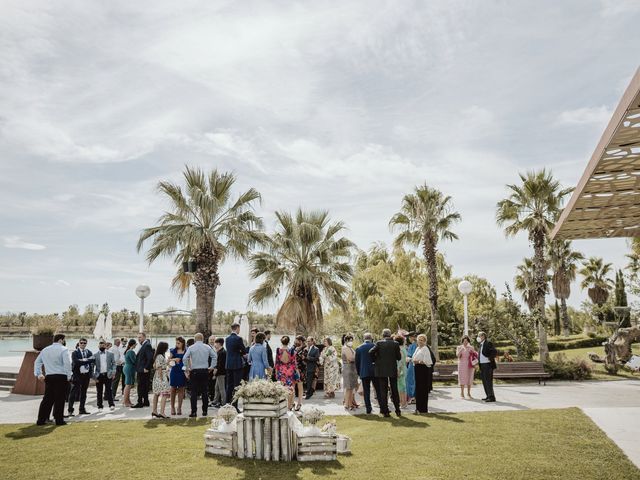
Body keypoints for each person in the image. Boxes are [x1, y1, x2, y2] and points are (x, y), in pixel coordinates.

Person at [34, 334, 71, 426]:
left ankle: (41, 420)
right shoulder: (64, 349)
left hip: (49, 376)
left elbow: (37, 362)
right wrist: (69, 376)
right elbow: (67, 364)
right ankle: (59, 420)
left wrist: (39, 374)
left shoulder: (45, 350)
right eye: (64, 340)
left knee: (47, 399)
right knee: (60, 399)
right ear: (61, 340)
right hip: (61, 376)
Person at [183, 332, 217, 417]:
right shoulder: (207, 347)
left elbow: (184, 358)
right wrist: (212, 366)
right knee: (205, 392)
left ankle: (194, 412)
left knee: (193, 392)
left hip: (194, 371)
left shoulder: (191, 347)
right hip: (205, 371)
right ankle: (205, 411)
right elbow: (214, 356)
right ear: (202, 339)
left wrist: (187, 368)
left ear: (195, 339)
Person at [369, 329, 401, 418]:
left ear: (383, 335)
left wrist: (375, 360)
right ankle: (397, 409)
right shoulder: (395, 344)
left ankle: (385, 411)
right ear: (390, 335)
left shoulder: (379, 343)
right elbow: (399, 357)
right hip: (392, 369)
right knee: (394, 390)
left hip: (381, 370)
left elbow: (371, 352)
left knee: (383, 391)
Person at [68, 338, 94, 416]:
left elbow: (92, 361)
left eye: (84, 343)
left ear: (86, 344)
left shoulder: (89, 352)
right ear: (78, 343)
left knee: (84, 393)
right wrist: (86, 360)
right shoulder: (75, 353)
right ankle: (70, 410)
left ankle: (82, 409)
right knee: (73, 393)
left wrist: (82, 361)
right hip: (77, 375)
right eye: (81, 343)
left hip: (86, 375)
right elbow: (76, 362)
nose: (83, 344)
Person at [355, 332, 378, 414]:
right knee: (378, 390)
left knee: (366, 391)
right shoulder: (375, 346)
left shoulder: (359, 348)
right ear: (371, 338)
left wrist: (359, 372)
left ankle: (368, 409)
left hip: (364, 371)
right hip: (375, 371)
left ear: (364, 339)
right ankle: (382, 407)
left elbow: (357, 363)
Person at [225, 322, 246, 406]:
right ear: (237, 328)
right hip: (237, 364)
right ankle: (234, 405)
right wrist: (239, 352)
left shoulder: (227, 339)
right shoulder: (238, 339)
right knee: (236, 385)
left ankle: (227, 403)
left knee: (229, 385)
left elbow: (230, 350)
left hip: (228, 364)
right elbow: (243, 351)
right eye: (239, 329)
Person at [274, 336, 298, 410]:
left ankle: (282, 406)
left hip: (281, 371)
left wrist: (276, 372)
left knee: (282, 388)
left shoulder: (278, 350)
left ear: (281, 342)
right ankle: (289, 406)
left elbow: (276, 363)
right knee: (290, 388)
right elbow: (294, 363)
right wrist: (296, 371)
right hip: (289, 371)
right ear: (289, 342)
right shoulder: (291, 350)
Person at [93, 340, 116, 412]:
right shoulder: (95, 355)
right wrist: (94, 376)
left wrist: (113, 372)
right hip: (99, 375)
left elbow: (114, 364)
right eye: (100, 345)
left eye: (103, 345)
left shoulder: (110, 354)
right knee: (99, 391)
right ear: (98, 346)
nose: (102, 346)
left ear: (106, 346)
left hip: (108, 374)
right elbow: (92, 366)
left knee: (109, 390)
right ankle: (100, 406)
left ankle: (111, 404)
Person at [412, 334, 433, 414]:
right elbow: (414, 358)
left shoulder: (425, 349)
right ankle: (418, 408)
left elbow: (427, 361)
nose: (420, 341)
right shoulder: (417, 348)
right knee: (418, 389)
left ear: (424, 341)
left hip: (423, 370)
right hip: (417, 369)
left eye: (422, 340)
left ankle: (423, 408)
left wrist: (418, 361)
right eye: (419, 340)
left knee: (423, 389)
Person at [132, 332, 154, 408]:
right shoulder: (144, 345)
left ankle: (140, 402)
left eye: (140, 337)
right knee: (144, 386)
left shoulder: (147, 345)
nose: (139, 339)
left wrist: (146, 368)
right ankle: (146, 401)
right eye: (138, 337)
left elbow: (150, 358)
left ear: (144, 337)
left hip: (143, 370)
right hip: (141, 369)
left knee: (141, 386)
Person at [152, 341, 171, 418]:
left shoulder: (157, 356)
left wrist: (168, 361)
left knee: (156, 394)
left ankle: (154, 411)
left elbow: (156, 366)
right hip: (161, 376)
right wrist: (162, 379)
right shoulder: (160, 356)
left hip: (157, 376)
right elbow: (159, 368)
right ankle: (162, 412)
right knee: (165, 394)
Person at [477, 331, 497, 402]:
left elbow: (494, 352)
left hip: (488, 365)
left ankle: (491, 397)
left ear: (483, 336)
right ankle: (488, 396)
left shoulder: (488, 343)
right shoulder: (480, 344)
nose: (478, 337)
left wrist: (490, 358)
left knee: (488, 381)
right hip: (482, 365)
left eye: (479, 336)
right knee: (484, 381)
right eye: (478, 336)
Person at [169, 337, 187, 415]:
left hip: (182, 372)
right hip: (174, 371)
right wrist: (174, 359)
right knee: (172, 389)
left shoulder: (186, 351)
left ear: (183, 343)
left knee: (181, 390)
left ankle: (179, 407)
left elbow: (189, 360)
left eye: (178, 343)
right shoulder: (173, 350)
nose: (177, 344)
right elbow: (168, 361)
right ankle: (172, 407)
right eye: (176, 343)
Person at [341, 335, 359, 409]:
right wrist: (357, 357)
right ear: (346, 341)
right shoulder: (345, 348)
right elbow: (350, 358)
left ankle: (350, 403)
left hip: (352, 368)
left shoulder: (350, 348)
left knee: (352, 388)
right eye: (349, 340)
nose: (351, 342)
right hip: (348, 368)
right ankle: (346, 404)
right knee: (348, 387)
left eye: (352, 340)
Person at [211, 337, 226, 407]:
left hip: (221, 373)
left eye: (215, 343)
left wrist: (215, 372)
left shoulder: (222, 352)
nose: (214, 345)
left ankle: (223, 403)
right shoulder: (220, 351)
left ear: (219, 344)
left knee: (221, 388)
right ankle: (215, 401)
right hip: (219, 373)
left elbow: (220, 365)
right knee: (216, 388)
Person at [122, 339, 137, 407]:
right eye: (135, 344)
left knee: (128, 385)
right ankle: (125, 402)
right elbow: (134, 361)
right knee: (128, 385)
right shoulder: (131, 351)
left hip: (127, 367)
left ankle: (127, 401)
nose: (136, 345)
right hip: (129, 368)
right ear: (133, 344)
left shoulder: (128, 351)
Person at [293, 335, 307, 409]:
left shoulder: (305, 349)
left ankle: (299, 403)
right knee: (293, 386)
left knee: (300, 386)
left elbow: (305, 361)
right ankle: (292, 402)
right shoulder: (295, 348)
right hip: (294, 369)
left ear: (300, 341)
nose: (295, 341)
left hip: (301, 369)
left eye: (296, 340)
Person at [396, 335, 408, 408]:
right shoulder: (403, 348)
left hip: (400, 369)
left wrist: (398, 370)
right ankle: (403, 402)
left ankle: (403, 403)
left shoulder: (399, 349)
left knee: (401, 387)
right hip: (404, 368)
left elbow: (400, 361)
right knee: (402, 386)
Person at [405, 332, 417, 403]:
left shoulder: (413, 346)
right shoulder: (414, 345)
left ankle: (412, 397)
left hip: (412, 365)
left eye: (409, 337)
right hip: (412, 365)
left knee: (411, 380)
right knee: (412, 380)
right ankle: (413, 397)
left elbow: (410, 356)